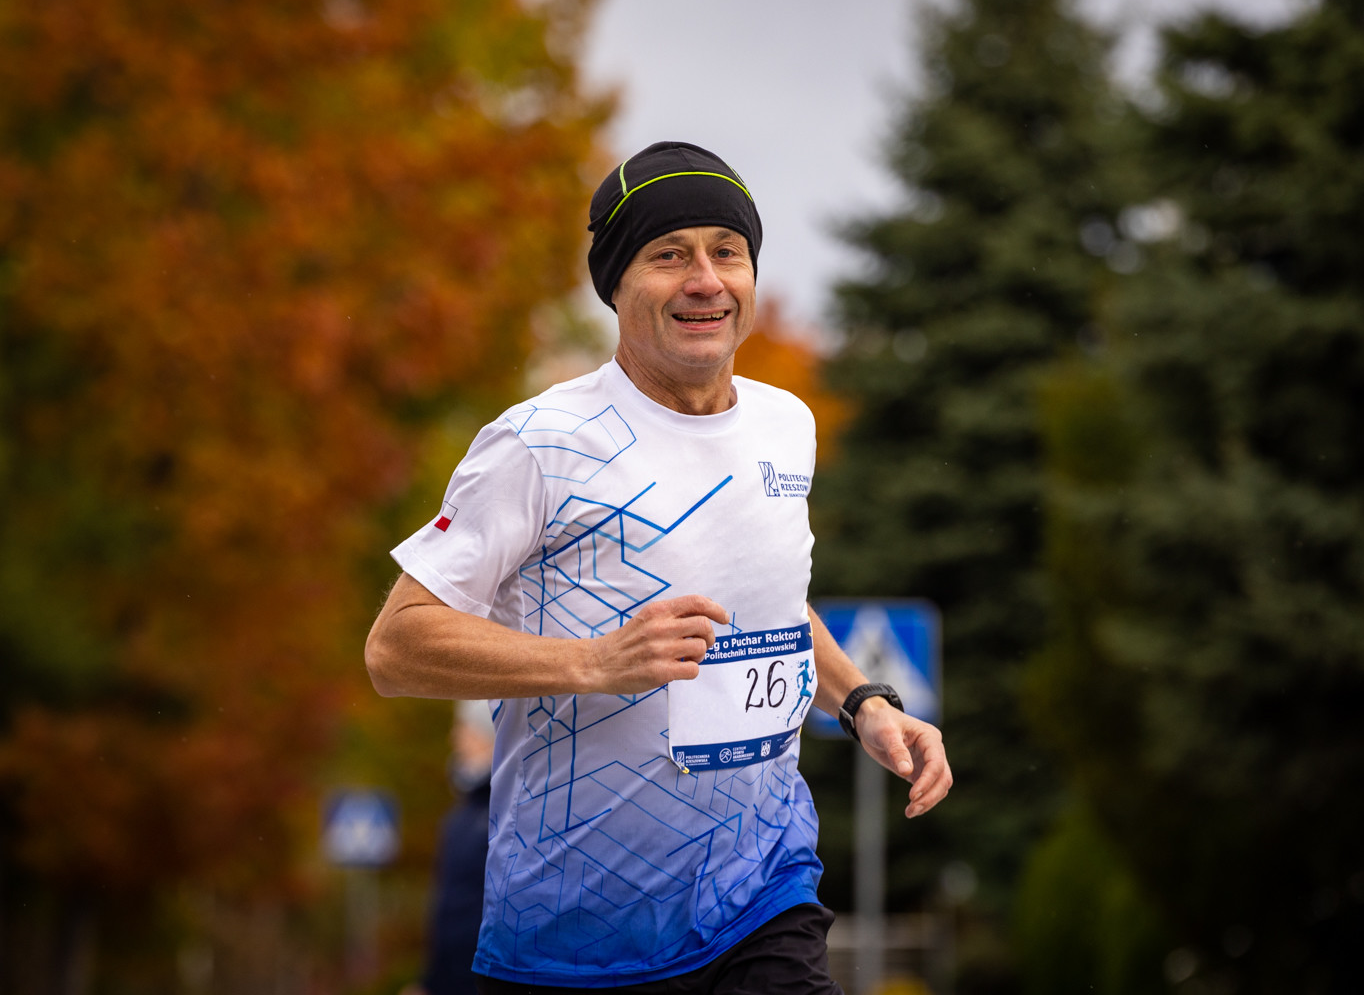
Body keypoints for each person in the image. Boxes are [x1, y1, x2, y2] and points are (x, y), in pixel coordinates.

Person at [365, 141, 953, 994]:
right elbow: (395, 649)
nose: (706, 280)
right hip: (574, 935)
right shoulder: (540, 442)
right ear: (616, 284)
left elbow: (772, 605)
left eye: (728, 251)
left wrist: (864, 702)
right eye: (669, 255)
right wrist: (595, 662)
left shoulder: (786, 426)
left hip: (762, 899)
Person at [403, 701, 496, 995]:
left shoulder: (508, 812)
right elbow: (448, 911)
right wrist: (430, 982)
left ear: (492, 737)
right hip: (451, 982)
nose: (455, 739)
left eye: (465, 730)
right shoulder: (459, 817)